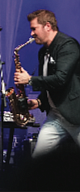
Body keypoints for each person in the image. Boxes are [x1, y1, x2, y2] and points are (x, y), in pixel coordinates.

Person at [14, 9, 80, 159]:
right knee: (38, 159)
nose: (31, 34)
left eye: (34, 29)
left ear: (47, 26)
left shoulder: (68, 46)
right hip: (56, 117)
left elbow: (60, 79)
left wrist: (29, 80)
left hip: (75, 115)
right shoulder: (43, 52)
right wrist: (39, 101)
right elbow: (49, 84)